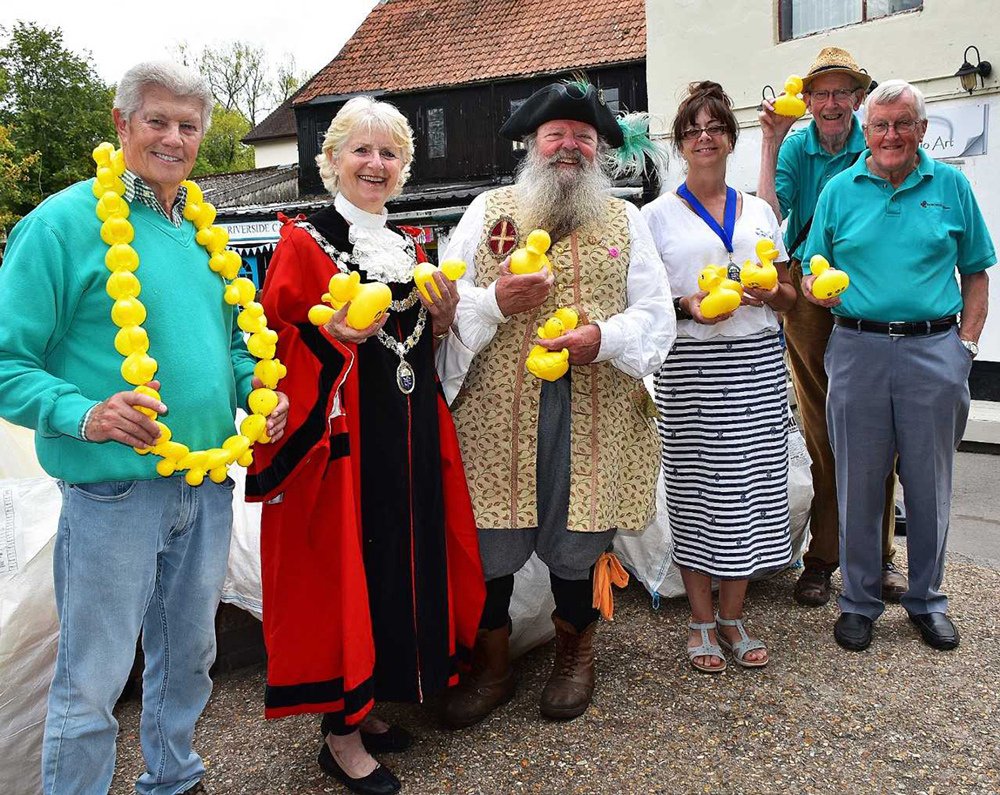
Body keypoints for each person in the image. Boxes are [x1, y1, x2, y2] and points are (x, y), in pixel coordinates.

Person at [0, 61, 288, 795]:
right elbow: (8, 359)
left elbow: (234, 344)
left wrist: (260, 393)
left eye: (189, 126)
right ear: (122, 124)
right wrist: (87, 413)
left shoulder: (201, 231)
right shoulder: (61, 225)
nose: (174, 137)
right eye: (156, 120)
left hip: (206, 481)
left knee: (189, 656)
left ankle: (174, 778)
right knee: (93, 675)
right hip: (112, 494)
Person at [247, 96, 485, 795]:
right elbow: (273, 344)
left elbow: (414, 342)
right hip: (342, 438)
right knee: (346, 571)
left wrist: (441, 318)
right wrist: (327, 336)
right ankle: (339, 738)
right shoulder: (302, 241)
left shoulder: (410, 244)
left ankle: (372, 703)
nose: (375, 165)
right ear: (332, 161)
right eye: (361, 151)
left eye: (388, 154)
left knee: (397, 564)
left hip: (407, 428)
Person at [437, 80, 674, 726]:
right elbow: (445, 313)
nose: (569, 146)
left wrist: (602, 337)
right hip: (495, 413)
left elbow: (658, 318)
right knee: (491, 546)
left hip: (592, 411)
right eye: (556, 135)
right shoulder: (487, 213)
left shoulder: (626, 220)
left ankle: (577, 657)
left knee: (578, 544)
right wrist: (496, 304)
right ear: (533, 144)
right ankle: (492, 668)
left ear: (598, 150)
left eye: (583, 137)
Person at [800, 79, 994, 652]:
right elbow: (813, 266)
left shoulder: (952, 186)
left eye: (902, 124)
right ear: (866, 130)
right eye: (880, 125)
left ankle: (926, 600)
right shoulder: (838, 191)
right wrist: (815, 288)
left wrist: (966, 347)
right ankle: (858, 602)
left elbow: (977, 271)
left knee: (930, 484)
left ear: (921, 130)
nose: (890, 135)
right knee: (858, 480)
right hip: (857, 349)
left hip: (935, 351)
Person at [642, 81, 796, 673]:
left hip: (756, 364)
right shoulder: (655, 218)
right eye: (693, 130)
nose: (705, 138)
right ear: (681, 144)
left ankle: (734, 618)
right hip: (692, 368)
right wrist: (691, 308)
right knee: (697, 492)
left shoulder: (758, 211)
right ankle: (702, 621)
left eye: (715, 128)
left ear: (732, 138)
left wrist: (768, 292)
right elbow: (652, 302)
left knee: (752, 493)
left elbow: (786, 297)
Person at [757, 46, 906, 607]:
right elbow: (770, 220)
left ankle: (880, 557)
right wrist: (771, 141)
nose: (830, 102)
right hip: (808, 295)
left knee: (877, 426)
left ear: (858, 100)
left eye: (842, 91)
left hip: (868, 287)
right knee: (822, 430)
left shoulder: (878, 149)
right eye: (821, 92)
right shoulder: (798, 148)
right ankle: (822, 557)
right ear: (809, 98)